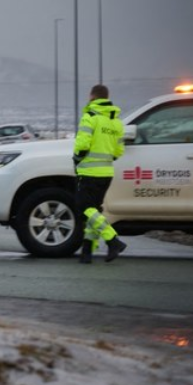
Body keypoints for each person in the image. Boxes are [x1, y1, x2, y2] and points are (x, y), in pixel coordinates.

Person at [73, 84, 127, 264]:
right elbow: (118, 152)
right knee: (93, 211)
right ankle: (87, 251)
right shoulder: (116, 122)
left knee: (83, 207)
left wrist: (76, 158)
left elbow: (82, 144)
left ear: (92, 97)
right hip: (107, 172)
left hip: (89, 171)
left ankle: (113, 240)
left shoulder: (90, 117)